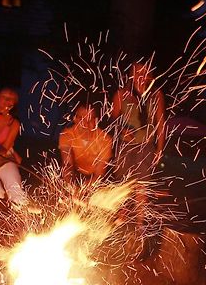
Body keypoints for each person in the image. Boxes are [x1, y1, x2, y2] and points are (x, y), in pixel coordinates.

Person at [112, 62, 166, 230]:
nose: (142, 76)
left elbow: (160, 123)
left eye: (145, 72)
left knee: (142, 185)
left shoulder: (156, 95)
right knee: (123, 183)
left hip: (146, 146)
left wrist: (160, 148)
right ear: (132, 75)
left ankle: (139, 224)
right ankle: (121, 220)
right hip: (125, 146)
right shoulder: (121, 94)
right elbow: (113, 119)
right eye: (138, 72)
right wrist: (121, 130)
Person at [59, 104, 113, 184]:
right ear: (75, 119)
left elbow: (99, 174)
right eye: (82, 119)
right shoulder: (67, 135)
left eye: (90, 120)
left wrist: (86, 188)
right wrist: (71, 185)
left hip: (95, 177)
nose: (86, 124)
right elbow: (68, 165)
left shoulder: (105, 139)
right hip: (76, 173)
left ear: (96, 121)